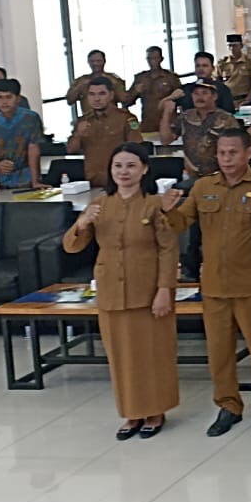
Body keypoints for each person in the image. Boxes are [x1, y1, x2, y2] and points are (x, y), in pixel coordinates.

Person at [161, 130, 251, 436]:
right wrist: (167, 210)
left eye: (232, 152)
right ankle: (228, 405)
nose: (227, 159)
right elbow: (182, 224)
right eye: (221, 153)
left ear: (248, 153)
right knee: (219, 352)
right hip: (215, 284)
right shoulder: (204, 187)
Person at [63, 143, 178, 439]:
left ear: (144, 169)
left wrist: (165, 289)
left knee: (151, 355)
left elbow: (168, 249)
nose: (124, 172)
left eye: (130, 166)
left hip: (148, 291)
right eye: (118, 166)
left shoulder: (154, 204)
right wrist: (81, 223)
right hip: (111, 291)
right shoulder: (100, 205)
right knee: (121, 357)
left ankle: (155, 410)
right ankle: (131, 413)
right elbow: (72, 245)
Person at [66, 76, 142, 184]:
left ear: (111, 95)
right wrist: (78, 134)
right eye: (92, 94)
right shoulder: (83, 120)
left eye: (102, 94)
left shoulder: (126, 119)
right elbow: (71, 150)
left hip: (120, 180)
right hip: (92, 180)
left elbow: (136, 150)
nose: (96, 99)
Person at [161, 83, 240, 177]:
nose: (200, 97)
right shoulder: (185, 117)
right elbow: (166, 140)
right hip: (191, 175)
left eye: (204, 93)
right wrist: (166, 113)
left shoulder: (226, 119)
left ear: (214, 96)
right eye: (196, 93)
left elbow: (237, 147)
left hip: (220, 175)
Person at [0, 78, 44, 190]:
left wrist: (35, 181)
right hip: (3, 178)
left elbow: (33, 150)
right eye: (0, 98)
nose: (4, 102)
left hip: (27, 176)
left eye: (9, 97)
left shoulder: (30, 118)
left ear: (18, 98)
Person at [126, 46, 181, 134]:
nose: (152, 61)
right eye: (149, 58)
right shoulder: (141, 78)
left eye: (155, 58)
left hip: (168, 123)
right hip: (148, 125)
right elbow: (127, 101)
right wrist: (136, 91)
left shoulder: (171, 78)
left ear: (161, 59)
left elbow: (181, 100)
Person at [167, 52, 236, 116]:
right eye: (198, 66)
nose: (201, 69)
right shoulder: (186, 89)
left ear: (213, 68)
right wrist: (171, 97)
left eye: (205, 66)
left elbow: (229, 113)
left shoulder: (222, 90)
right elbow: (163, 107)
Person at [65, 49, 128, 116]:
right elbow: (69, 100)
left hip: (111, 120)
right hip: (89, 121)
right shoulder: (81, 80)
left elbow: (124, 99)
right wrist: (80, 86)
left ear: (104, 61)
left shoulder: (113, 79)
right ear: (88, 62)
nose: (95, 64)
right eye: (92, 61)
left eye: (98, 61)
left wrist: (115, 83)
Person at [215, 34, 251, 105]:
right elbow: (216, 82)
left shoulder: (250, 62)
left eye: (235, 45)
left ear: (241, 46)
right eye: (230, 46)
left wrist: (248, 99)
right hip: (227, 100)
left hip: (244, 100)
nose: (232, 48)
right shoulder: (222, 63)